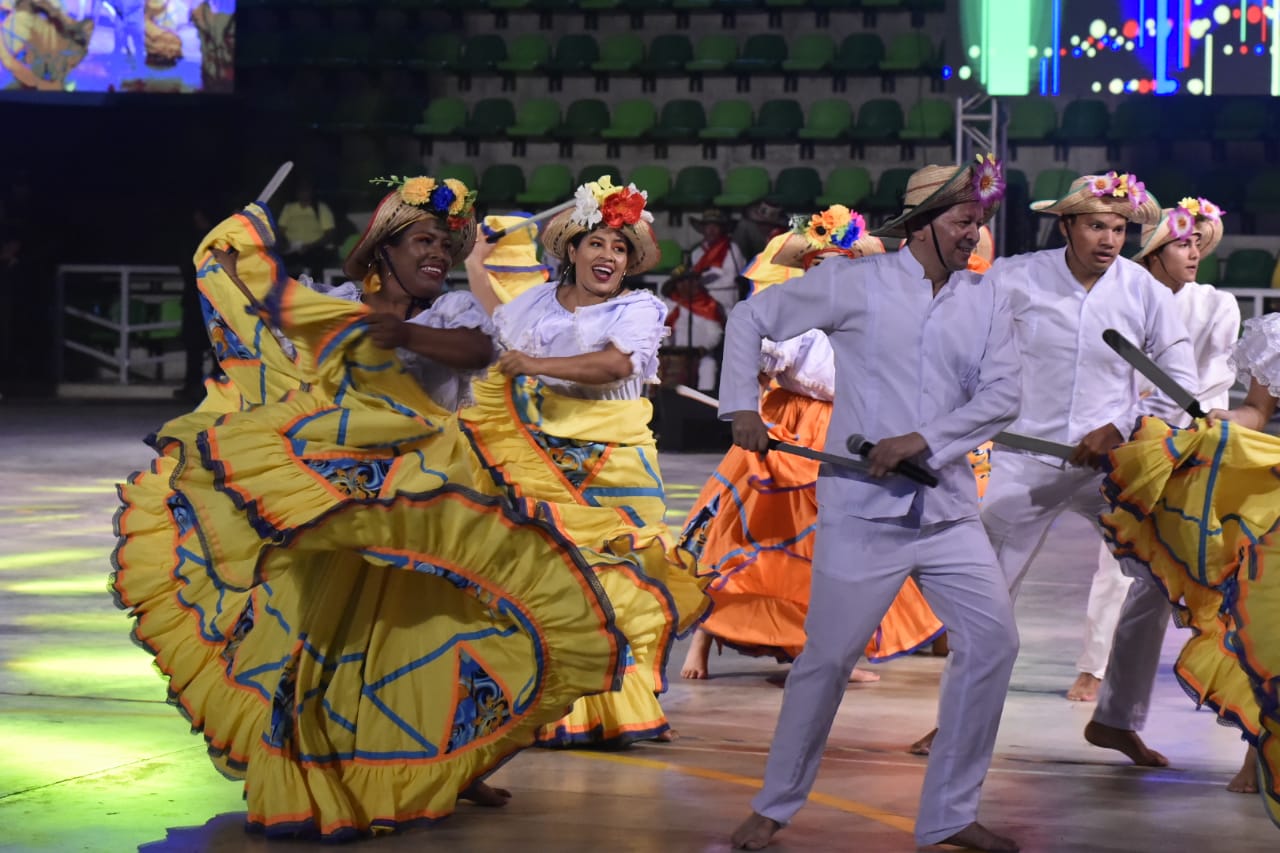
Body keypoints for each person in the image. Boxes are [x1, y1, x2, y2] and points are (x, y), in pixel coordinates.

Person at [110, 175, 644, 839]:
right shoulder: (338, 306)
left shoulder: (452, 315)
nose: (438, 255)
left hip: (428, 511)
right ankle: (319, 768)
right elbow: (274, 326)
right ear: (381, 249)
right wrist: (232, 262)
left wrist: (404, 337)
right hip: (346, 504)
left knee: (438, 638)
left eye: (446, 246)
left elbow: (481, 352)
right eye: (423, 240)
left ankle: (452, 765)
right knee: (327, 644)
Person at [722, 157, 1023, 852]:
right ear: (920, 225)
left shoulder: (987, 299)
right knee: (826, 660)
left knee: (995, 642)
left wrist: (925, 438)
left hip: (947, 509)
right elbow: (750, 317)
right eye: (961, 218)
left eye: (978, 219)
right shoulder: (855, 282)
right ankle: (774, 805)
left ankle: (951, 812)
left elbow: (1003, 397)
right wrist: (741, 403)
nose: (973, 231)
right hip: (863, 509)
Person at [935, 172, 1198, 765]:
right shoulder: (1014, 277)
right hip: (1023, 461)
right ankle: (956, 725)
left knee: (1158, 579)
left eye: (1120, 228)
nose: (1110, 238)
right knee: (987, 598)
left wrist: (1126, 425)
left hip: (1110, 466)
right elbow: (956, 343)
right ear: (1067, 226)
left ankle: (1116, 718)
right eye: (1096, 225)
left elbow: (1177, 379)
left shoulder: (1143, 291)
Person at [460, 175, 710, 748]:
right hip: (543, 458)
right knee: (550, 583)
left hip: (616, 462)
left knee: (619, 588)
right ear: (571, 251)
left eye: (620, 249)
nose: (609, 255)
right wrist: (477, 262)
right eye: (597, 243)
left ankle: (618, 709)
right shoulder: (537, 304)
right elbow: (501, 318)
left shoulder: (640, 308)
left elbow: (614, 367)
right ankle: (554, 709)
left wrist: (534, 366)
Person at [678, 208, 943, 684]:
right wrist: (751, 412)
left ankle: (825, 649)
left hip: (845, 431)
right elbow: (754, 364)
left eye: (841, 264)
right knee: (744, 533)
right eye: (819, 265)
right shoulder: (788, 320)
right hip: (787, 423)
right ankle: (703, 636)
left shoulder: (872, 322)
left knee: (841, 546)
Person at [1100, 310, 1280, 823]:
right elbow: (1256, 415)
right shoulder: (1279, 337)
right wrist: (1226, 423)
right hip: (1274, 490)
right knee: (1267, 630)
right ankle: (1259, 753)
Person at [1063, 197, 1240, 703]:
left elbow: (1209, 384)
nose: (1194, 253)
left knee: (1188, 565)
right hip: (1128, 439)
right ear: (1155, 251)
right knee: (1115, 555)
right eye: (1182, 243)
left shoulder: (1214, 305)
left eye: (1199, 244)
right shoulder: (1125, 294)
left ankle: (1228, 664)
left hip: (1186, 440)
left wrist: (1182, 433)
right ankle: (1094, 668)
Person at [660, 264, 725, 391]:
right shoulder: (668, 305)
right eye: (681, 281)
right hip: (672, 354)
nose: (687, 284)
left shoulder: (710, 305)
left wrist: (704, 348)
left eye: (690, 280)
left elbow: (715, 333)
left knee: (708, 366)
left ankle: (703, 402)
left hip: (700, 355)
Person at [690, 207, 747, 316]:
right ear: (703, 229)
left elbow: (731, 280)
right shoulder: (696, 253)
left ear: (722, 228)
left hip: (726, 305)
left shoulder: (732, 249)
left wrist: (702, 284)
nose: (711, 230)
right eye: (708, 226)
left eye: (715, 226)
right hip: (701, 305)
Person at [277, 179, 337, 277]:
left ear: (312, 192)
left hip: (314, 248)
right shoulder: (289, 208)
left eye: (307, 190)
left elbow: (329, 235)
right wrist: (285, 244)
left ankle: (314, 287)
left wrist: (310, 246)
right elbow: (280, 231)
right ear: (297, 193)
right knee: (277, 261)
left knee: (316, 260)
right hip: (292, 248)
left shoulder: (321, 208)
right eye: (301, 190)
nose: (304, 193)